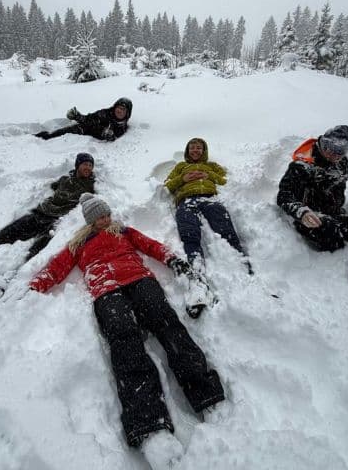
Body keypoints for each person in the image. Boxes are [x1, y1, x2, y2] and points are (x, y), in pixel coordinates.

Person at [26, 193, 225, 454]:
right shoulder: (78, 243)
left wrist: (171, 259)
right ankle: (148, 424)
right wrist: (35, 286)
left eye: (107, 214)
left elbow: (149, 245)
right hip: (105, 289)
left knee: (168, 324)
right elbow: (57, 267)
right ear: (90, 220)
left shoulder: (122, 231)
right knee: (123, 339)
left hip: (139, 279)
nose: (105, 219)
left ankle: (205, 393)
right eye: (99, 217)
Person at [277, 125, 348, 290]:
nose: (334, 154)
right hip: (309, 218)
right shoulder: (301, 166)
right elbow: (284, 196)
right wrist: (302, 212)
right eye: (329, 147)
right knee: (330, 236)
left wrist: (338, 211)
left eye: (341, 150)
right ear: (321, 143)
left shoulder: (343, 165)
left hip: (334, 216)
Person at [0, 153, 96, 303]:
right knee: (10, 231)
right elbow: (53, 186)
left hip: (56, 220)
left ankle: (11, 277)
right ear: (77, 165)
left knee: (38, 249)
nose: (88, 168)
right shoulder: (65, 179)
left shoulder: (91, 185)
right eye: (85, 164)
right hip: (41, 212)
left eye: (90, 165)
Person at [164, 137, 251, 274]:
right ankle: (195, 265)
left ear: (204, 150)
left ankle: (241, 263)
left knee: (224, 227)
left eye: (198, 147)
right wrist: (183, 179)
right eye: (192, 148)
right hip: (186, 199)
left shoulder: (212, 166)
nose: (195, 150)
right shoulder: (181, 166)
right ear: (187, 151)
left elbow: (224, 180)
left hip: (209, 198)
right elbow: (167, 184)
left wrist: (208, 174)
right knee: (189, 231)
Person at [34, 97, 132, 141]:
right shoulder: (105, 113)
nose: (119, 111)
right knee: (55, 135)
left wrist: (108, 135)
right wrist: (77, 116)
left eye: (123, 109)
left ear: (127, 113)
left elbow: (113, 137)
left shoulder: (122, 127)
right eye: (118, 107)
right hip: (83, 129)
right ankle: (38, 138)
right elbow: (89, 119)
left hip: (88, 139)